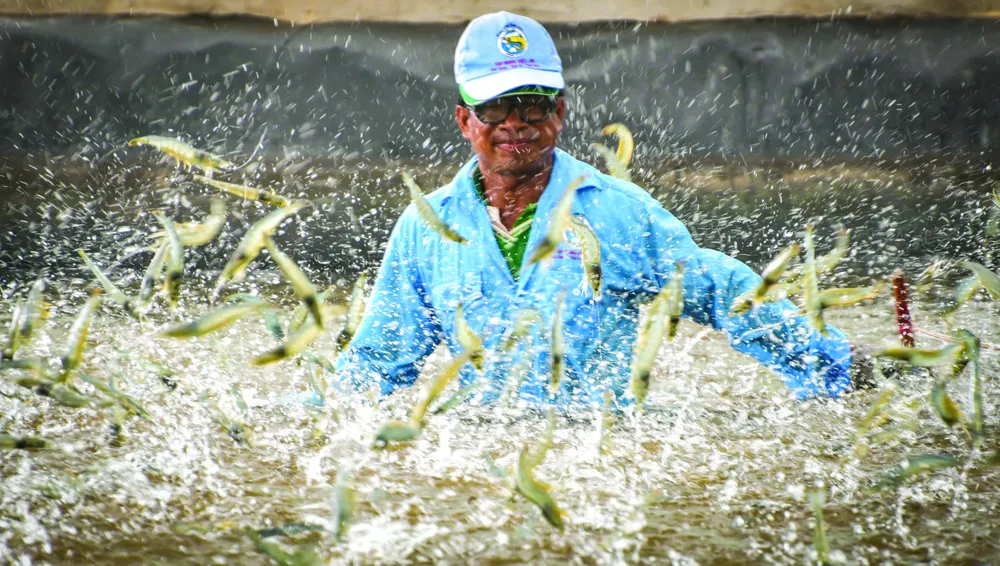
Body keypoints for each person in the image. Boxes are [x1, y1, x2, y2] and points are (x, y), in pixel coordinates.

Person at [334, 11, 869, 409]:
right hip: (481, 461)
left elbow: (725, 292)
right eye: (494, 107)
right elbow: (377, 361)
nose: (515, 122)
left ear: (560, 113)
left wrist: (842, 367)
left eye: (533, 104)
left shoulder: (620, 214)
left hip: (598, 454)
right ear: (464, 121)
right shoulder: (426, 227)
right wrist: (321, 419)